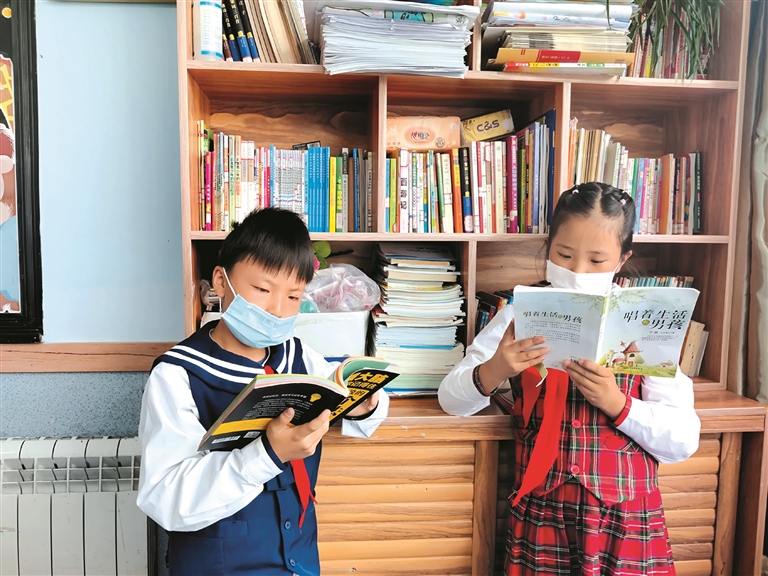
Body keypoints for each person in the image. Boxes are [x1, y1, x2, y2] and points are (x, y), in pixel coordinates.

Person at [438, 182, 700, 575]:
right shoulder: (517, 315)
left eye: (597, 260)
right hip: (545, 510)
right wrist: (496, 369)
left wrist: (618, 404)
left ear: (622, 258)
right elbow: (451, 400)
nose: (578, 271)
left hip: (623, 516)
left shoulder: (642, 322)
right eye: (564, 255)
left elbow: (682, 440)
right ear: (548, 247)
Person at [137, 207, 389, 576]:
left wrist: (364, 404)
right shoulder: (178, 375)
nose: (277, 310)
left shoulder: (298, 355)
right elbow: (166, 499)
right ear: (221, 281)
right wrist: (267, 454)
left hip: (301, 561)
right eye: (262, 290)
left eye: (293, 297)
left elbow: (358, 412)